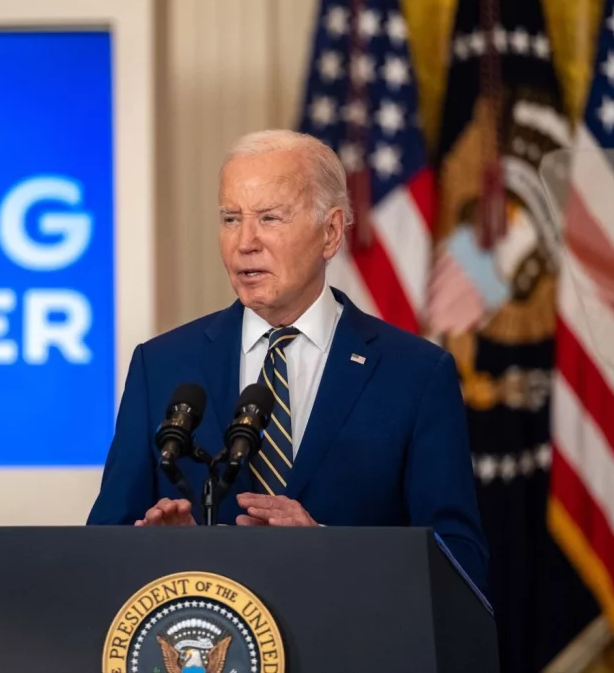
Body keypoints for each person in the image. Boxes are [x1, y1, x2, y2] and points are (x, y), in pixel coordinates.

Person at [86, 129, 489, 595]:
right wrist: (158, 554)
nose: (245, 242)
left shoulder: (416, 375)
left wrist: (326, 550)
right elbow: (102, 547)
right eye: (230, 218)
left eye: (270, 218)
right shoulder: (161, 367)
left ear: (331, 232)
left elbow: (461, 564)